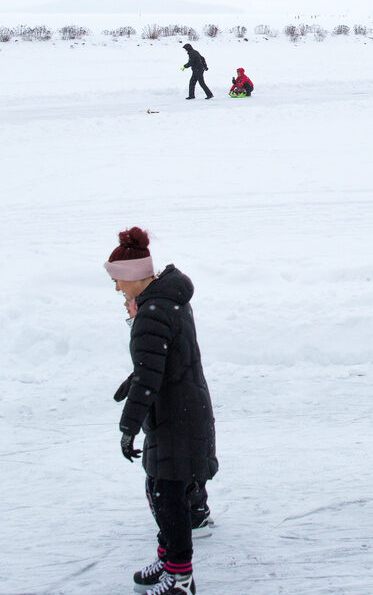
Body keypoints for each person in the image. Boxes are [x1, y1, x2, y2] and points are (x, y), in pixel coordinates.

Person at [108, 228, 217, 594]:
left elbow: (149, 379)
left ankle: (180, 578)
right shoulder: (169, 300)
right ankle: (168, 559)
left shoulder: (151, 314)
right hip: (183, 411)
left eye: (119, 281)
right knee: (159, 488)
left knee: (168, 497)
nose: (118, 289)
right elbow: (162, 363)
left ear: (134, 276)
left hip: (175, 418)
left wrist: (128, 428)